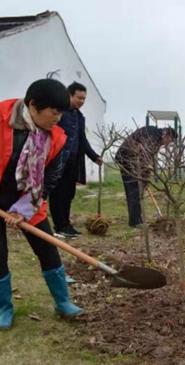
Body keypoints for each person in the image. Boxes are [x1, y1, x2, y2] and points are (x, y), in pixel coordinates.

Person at [0, 79, 84, 329]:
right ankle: (4, 308)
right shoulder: (2, 118)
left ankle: (63, 302)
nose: (57, 118)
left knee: (48, 250)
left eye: (61, 113)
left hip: (29, 197)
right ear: (33, 105)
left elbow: (50, 179)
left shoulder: (56, 138)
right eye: (54, 112)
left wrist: (24, 211)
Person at [49, 82, 102, 238]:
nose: (81, 101)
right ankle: (59, 226)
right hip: (58, 159)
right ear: (70, 95)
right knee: (58, 193)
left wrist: (94, 157)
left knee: (68, 193)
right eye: (79, 98)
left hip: (73, 160)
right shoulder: (58, 112)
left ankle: (66, 224)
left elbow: (82, 140)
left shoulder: (79, 117)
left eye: (84, 99)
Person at [115, 126, 176, 227]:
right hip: (126, 159)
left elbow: (149, 159)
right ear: (166, 134)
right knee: (134, 189)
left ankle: (136, 219)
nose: (168, 144)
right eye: (170, 141)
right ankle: (135, 222)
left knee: (138, 189)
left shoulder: (157, 139)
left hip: (134, 161)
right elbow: (144, 156)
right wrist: (145, 174)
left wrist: (146, 176)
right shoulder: (151, 136)